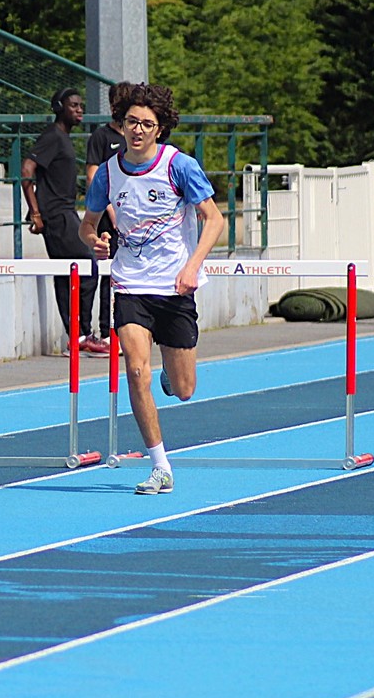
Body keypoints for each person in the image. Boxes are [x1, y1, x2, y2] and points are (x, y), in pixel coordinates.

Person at [78, 83, 225, 495]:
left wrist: (192, 266)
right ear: (121, 126)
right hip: (130, 284)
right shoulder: (108, 173)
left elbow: (215, 219)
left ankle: (171, 375)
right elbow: (87, 225)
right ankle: (160, 466)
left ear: (159, 129)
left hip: (175, 286)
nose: (138, 130)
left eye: (146, 123)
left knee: (184, 389)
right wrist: (96, 241)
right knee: (135, 370)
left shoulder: (180, 165)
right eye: (131, 122)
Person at [21, 87, 109, 357]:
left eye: (81, 105)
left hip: (66, 212)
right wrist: (36, 213)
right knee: (87, 265)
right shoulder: (52, 137)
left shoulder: (63, 138)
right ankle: (82, 334)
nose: (79, 110)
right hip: (56, 215)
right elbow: (27, 169)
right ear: (59, 107)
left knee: (66, 273)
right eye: (73, 105)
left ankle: (77, 336)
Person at [82, 82, 136, 356]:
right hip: (109, 219)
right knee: (108, 275)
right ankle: (106, 332)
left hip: (136, 220)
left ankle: (132, 330)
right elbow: (93, 175)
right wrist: (112, 210)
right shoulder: (101, 137)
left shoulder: (137, 139)